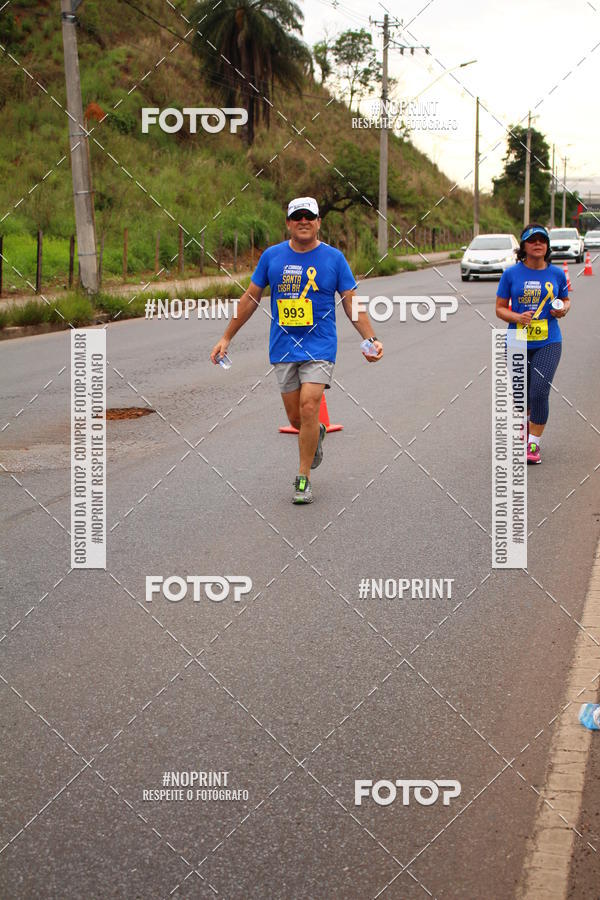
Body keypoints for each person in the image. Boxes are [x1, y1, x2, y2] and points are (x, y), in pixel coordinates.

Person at [210, 196, 383, 503]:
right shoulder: (272, 257)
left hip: (320, 346)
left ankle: (303, 477)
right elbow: (250, 298)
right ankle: (314, 433)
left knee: (309, 403)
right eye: (297, 217)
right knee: (296, 419)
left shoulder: (334, 259)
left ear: (319, 222)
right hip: (284, 347)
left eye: (310, 216)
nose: (304, 221)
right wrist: (226, 338)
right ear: (288, 223)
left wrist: (370, 338)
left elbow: (351, 301)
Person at [495, 223, 570, 465]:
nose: (538, 244)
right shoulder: (511, 274)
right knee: (521, 396)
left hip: (549, 341)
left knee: (539, 390)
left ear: (547, 246)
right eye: (532, 240)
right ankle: (527, 426)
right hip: (517, 341)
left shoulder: (557, 274)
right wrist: (517, 317)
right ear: (524, 246)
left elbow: (565, 300)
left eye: (542, 240)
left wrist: (562, 310)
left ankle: (533, 444)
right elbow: (499, 308)